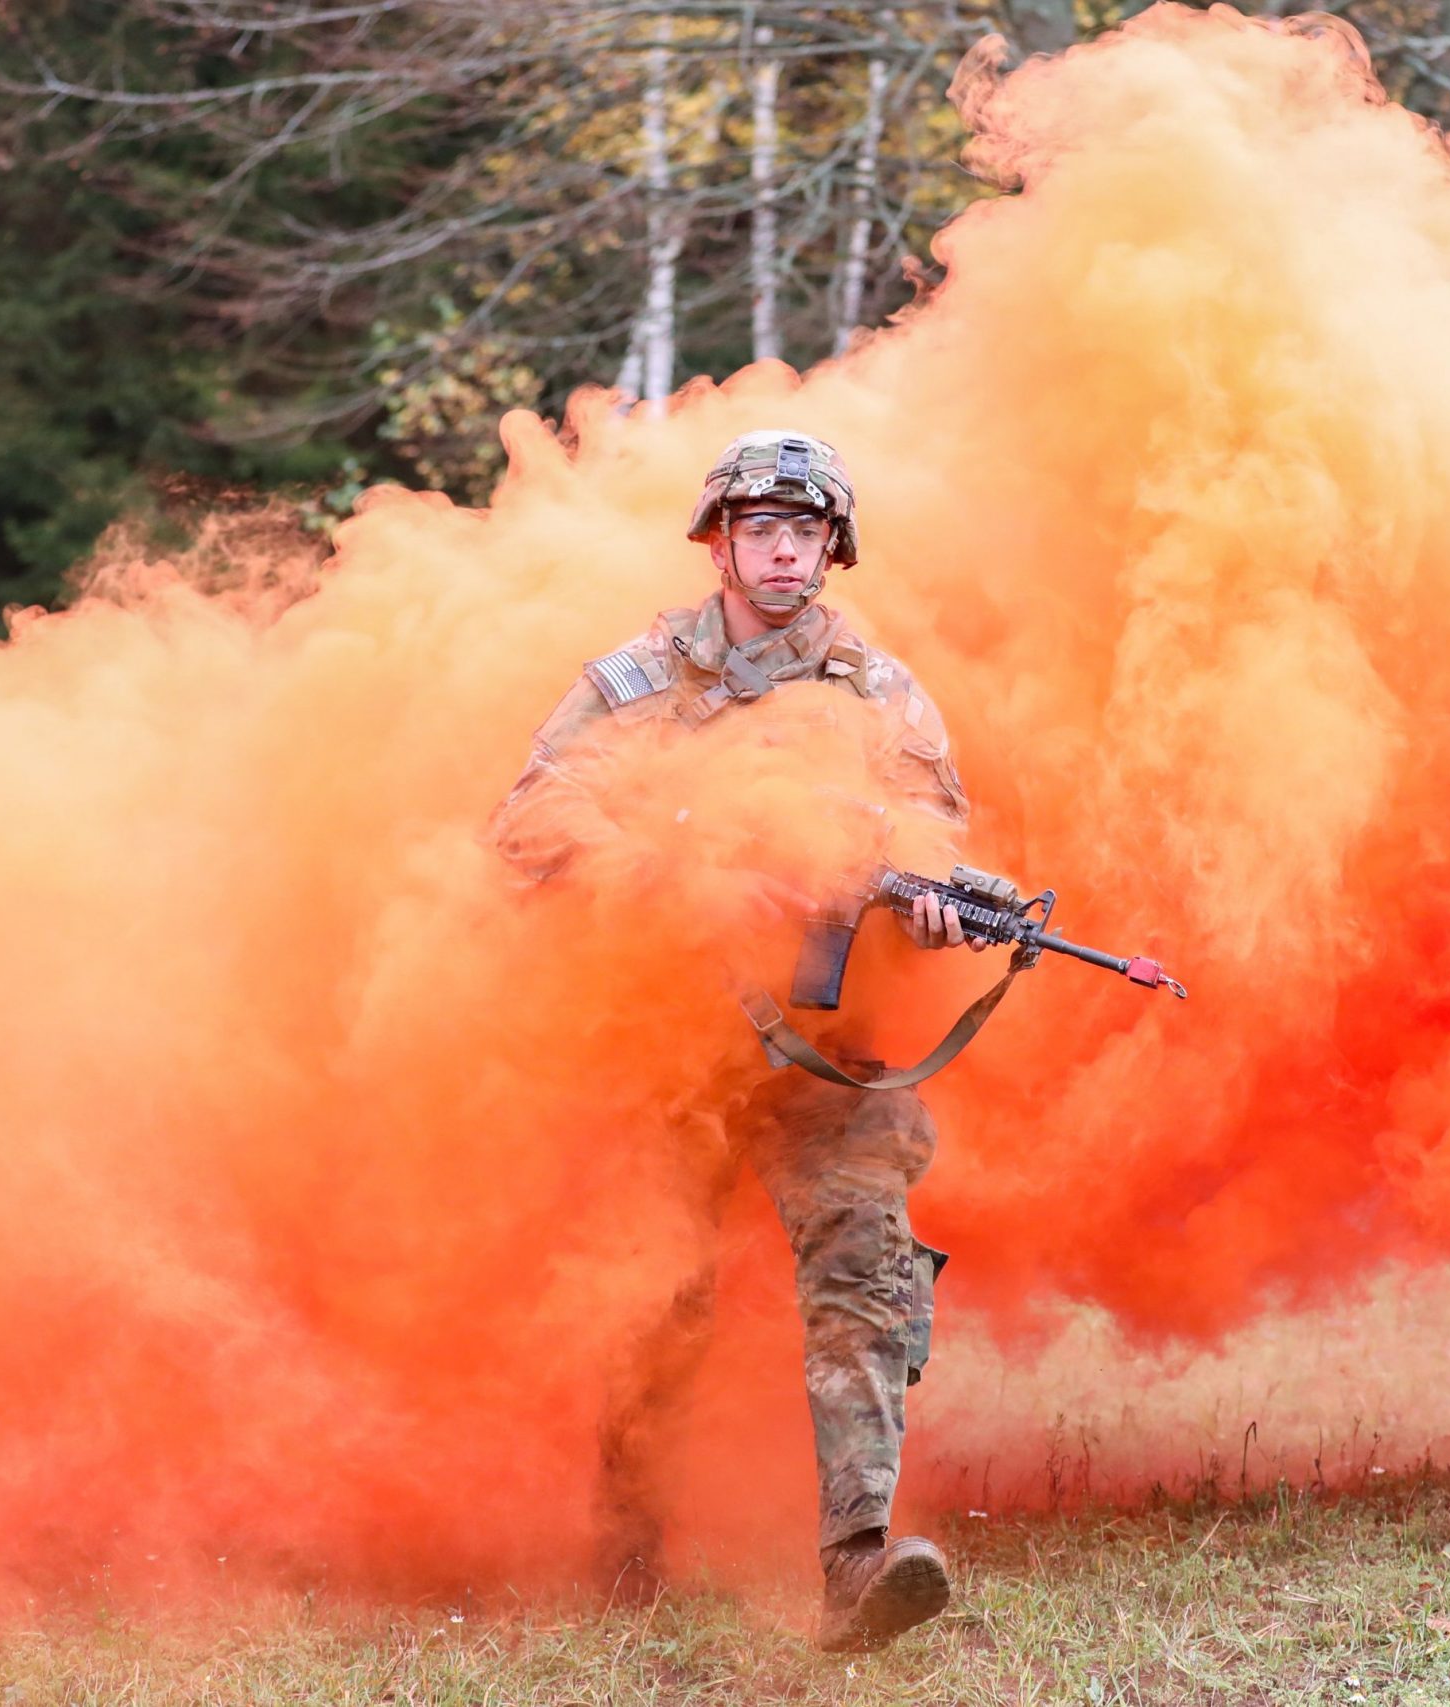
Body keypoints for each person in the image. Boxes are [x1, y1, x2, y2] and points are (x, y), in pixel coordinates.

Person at [493, 430, 976, 1652]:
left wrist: (926, 901)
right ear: (718, 541)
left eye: (805, 532)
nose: (782, 551)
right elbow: (528, 825)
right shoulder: (638, 682)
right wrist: (684, 862)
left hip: (828, 1050)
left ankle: (858, 1563)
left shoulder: (877, 691)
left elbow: (932, 825)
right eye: (760, 527)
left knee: (864, 1266)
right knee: (660, 1295)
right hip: (674, 1040)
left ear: (831, 550)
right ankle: (625, 1544)